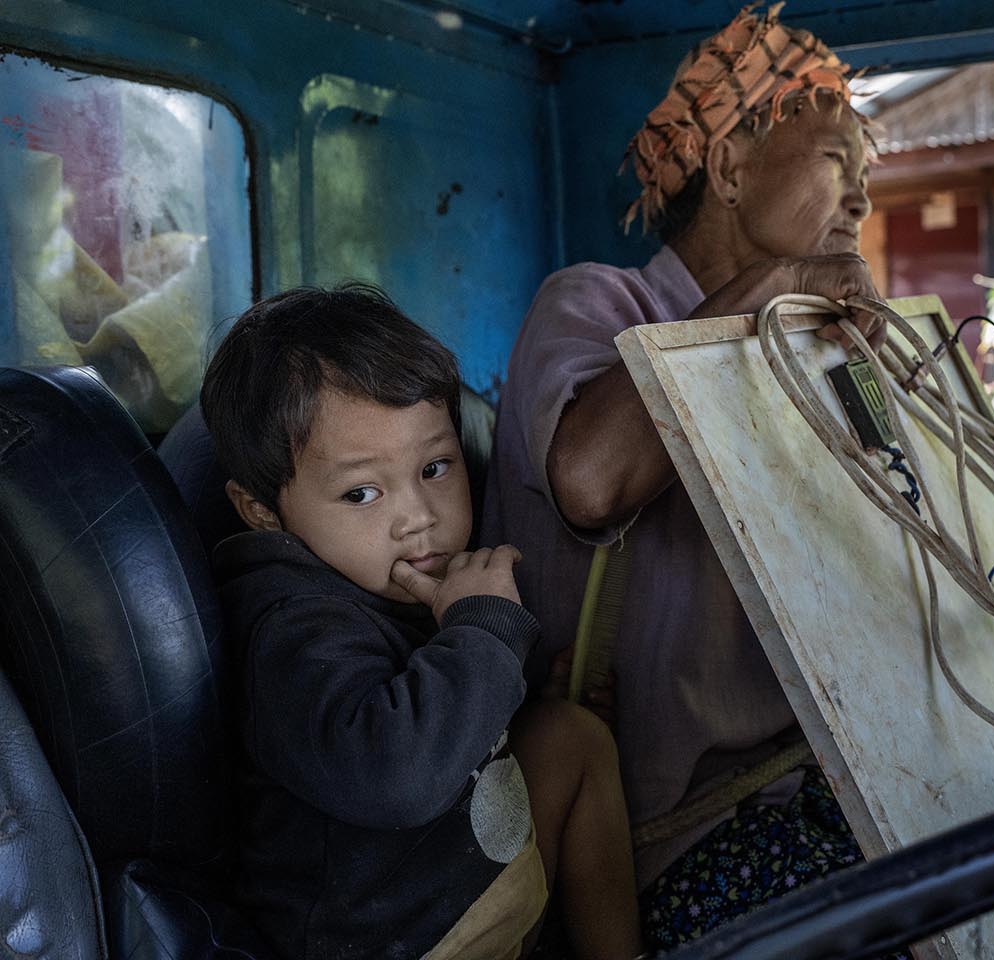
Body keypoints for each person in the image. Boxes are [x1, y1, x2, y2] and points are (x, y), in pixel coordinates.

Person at [481, 4, 897, 950]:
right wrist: (778, 287)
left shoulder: (806, 346)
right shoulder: (598, 302)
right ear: (731, 169)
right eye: (838, 161)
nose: (864, 200)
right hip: (669, 842)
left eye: (868, 176)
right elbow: (590, 479)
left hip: (811, 791)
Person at [201, 283, 640, 960]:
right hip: (385, 941)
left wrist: (510, 696)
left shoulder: (380, 581)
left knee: (570, 738)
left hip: (451, 894)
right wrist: (484, 630)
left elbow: (445, 718)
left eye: (435, 467)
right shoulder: (289, 626)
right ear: (261, 510)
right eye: (362, 492)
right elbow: (399, 775)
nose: (418, 516)